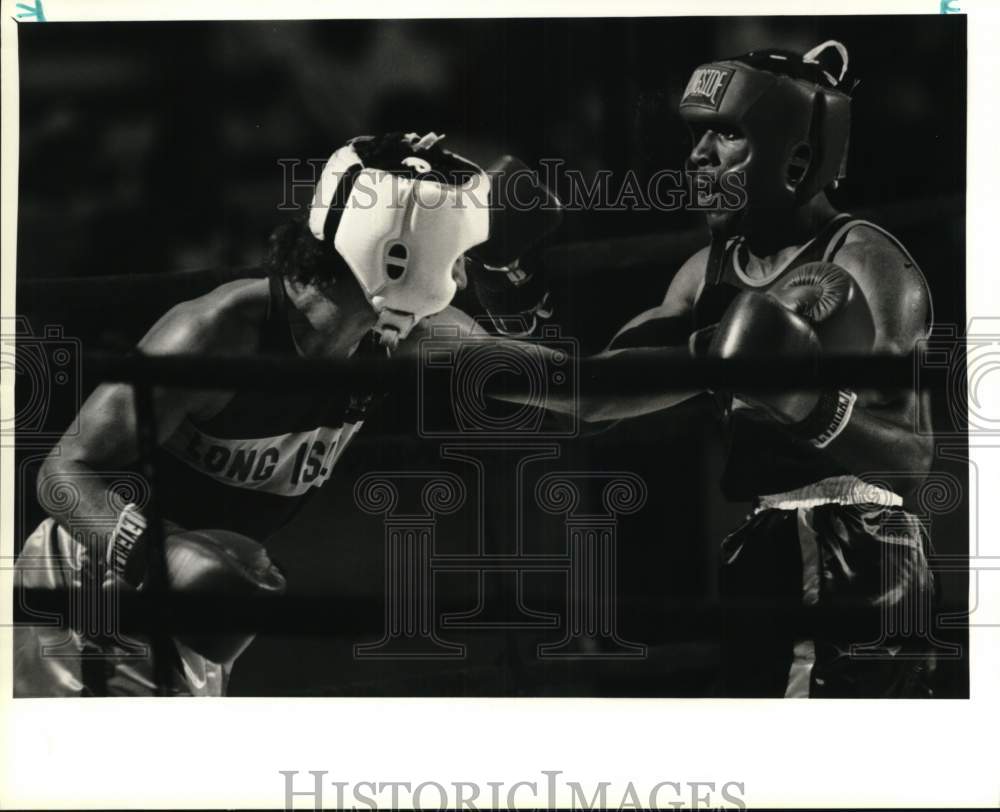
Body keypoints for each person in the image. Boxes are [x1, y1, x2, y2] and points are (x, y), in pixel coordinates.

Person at [14, 131, 558, 697]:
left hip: (201, 612)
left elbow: (583, 392)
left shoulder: (405, 337)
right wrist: (155, 555)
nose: (464, 279)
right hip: (89, 591)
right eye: (456, 258)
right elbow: (61, 472)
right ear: (400, 257)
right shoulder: (217, 330)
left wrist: (660, 314)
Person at [478, 41, 937, 697]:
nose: (697, 156)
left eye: (727, 134)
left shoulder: (868, 263)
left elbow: (913, 460)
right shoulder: (704, 276)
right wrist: (506, 305)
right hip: (766, 543)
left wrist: (807, 401)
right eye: (697, 134)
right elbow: (601, 391)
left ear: (794, 152)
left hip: (862, 549)